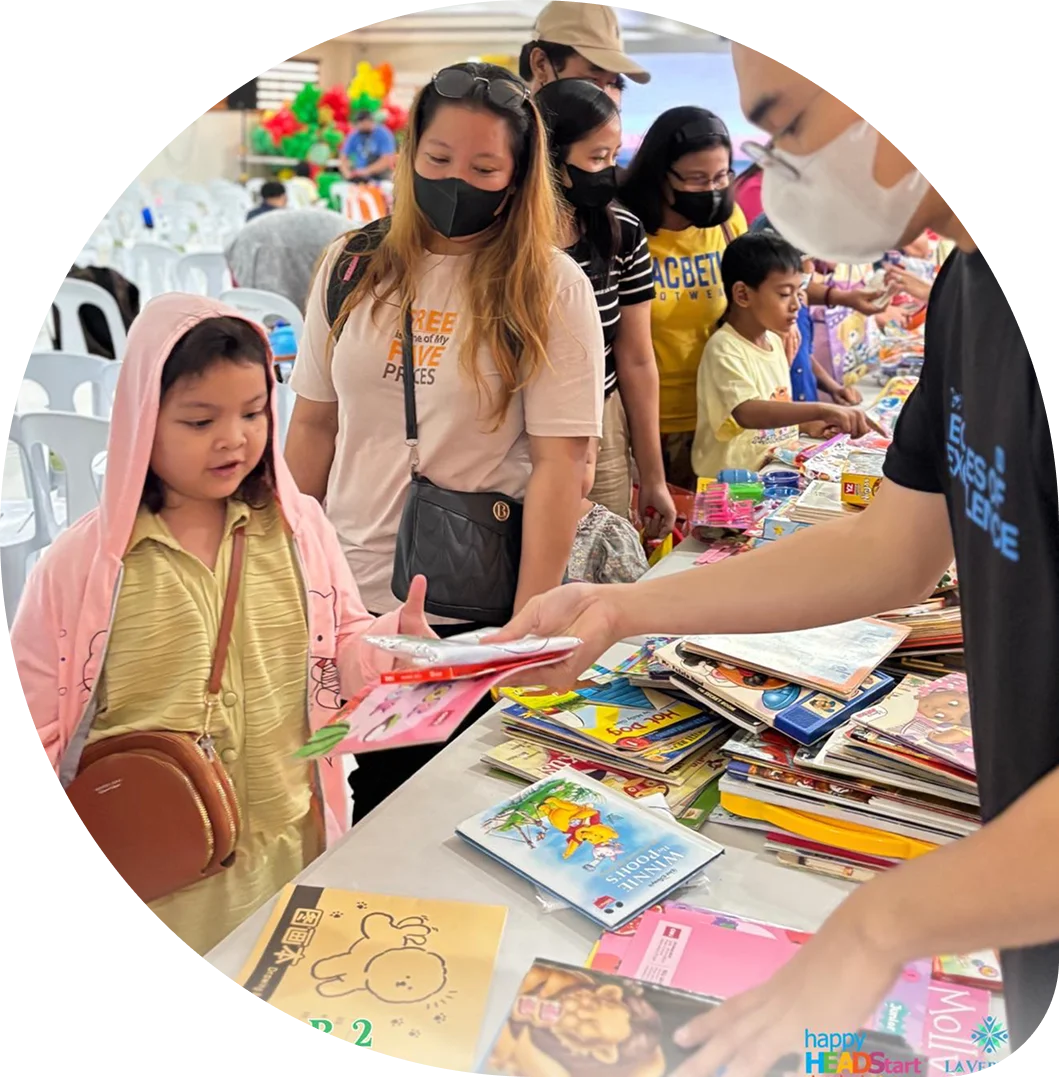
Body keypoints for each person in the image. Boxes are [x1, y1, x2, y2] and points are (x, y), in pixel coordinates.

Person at [492, 41, 1057, 1072]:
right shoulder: (968, 294)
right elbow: (889, 549)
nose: (773, 167)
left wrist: (882, 924)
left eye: (789, 124)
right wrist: (623, 613)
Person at [9, 295, 433, 957]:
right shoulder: (80, 568)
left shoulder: (300, 531)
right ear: (142, 420)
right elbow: (40, 707)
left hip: (290, 844)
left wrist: (382, 649)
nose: (234, 437)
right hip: (157, 867)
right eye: (199, 419)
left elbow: (341, 639)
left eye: (254, 411)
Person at [284, 63, 605, 822]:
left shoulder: (550, 288)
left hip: (458, 611)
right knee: (308, 802)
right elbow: (313, 424)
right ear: (409, 154)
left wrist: (523, 631)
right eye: (437, 160)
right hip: (337, 592)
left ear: (520, 174)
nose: (456, 181)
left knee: (408, 815)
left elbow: (566, 465)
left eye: (484, 167)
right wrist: (284, 562)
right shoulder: (352, 263)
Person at [536, 78, 676, 534]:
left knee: (599, 560)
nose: (609, 172)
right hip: (516, 433)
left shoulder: (622, 233)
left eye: (614, 157)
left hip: (602, 424)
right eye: (597, 158)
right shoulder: (507, 246)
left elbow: (636, 358)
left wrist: (653, 477)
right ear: (550, 159)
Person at [618, 107, 749, 491]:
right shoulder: (627, 232)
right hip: (645, 424)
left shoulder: (728, 223)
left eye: (722, 176)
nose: (711, 189)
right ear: (661, 175)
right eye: (695, 179)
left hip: (717, 414)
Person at [693, 233, 880, 479]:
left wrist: (811, 425)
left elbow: (775, 412)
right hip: (732, 488)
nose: (796, 305)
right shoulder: (724, 348)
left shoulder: (773, 340)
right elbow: (746, 412)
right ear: (743, 295)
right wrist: (821, 410)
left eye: (799, 292)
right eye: (784, 294)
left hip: (771, 474)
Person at [225, 206, 351, 313]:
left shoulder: (347, 235)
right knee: (269, 308)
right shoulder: (353, 241)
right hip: (263, 243)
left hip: (263, 238)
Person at [519, 0, 650, 97]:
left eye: (611, 84)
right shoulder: (504, 131)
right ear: (540, 64)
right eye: (592, 81)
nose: (603, 99)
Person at [566, 441, 649, 585]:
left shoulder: (611, 535)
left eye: (584, 461)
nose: (565, 476)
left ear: (597, 455)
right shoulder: (517, 524)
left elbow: (635, 600)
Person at [339, 110, 397, 183]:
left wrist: (366, 171)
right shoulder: (354, 134)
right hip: (359, 175)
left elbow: (387, 159)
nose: (363, 127)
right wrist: (347, 173)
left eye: (365, 124)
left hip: (380, 176)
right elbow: (343, 156)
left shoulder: (383, 134)